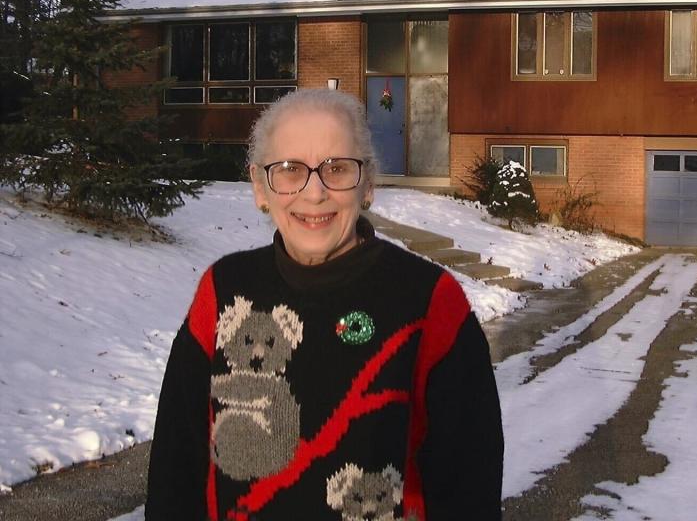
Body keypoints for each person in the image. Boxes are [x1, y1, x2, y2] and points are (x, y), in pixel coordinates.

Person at [146, 88, 503, 521]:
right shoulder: (223, 293)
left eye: (336, 168)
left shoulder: (429, 303)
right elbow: (175, 474)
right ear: (261, 187)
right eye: (291, 169)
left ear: (368, 183)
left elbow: (468, 491)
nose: (314, 193)